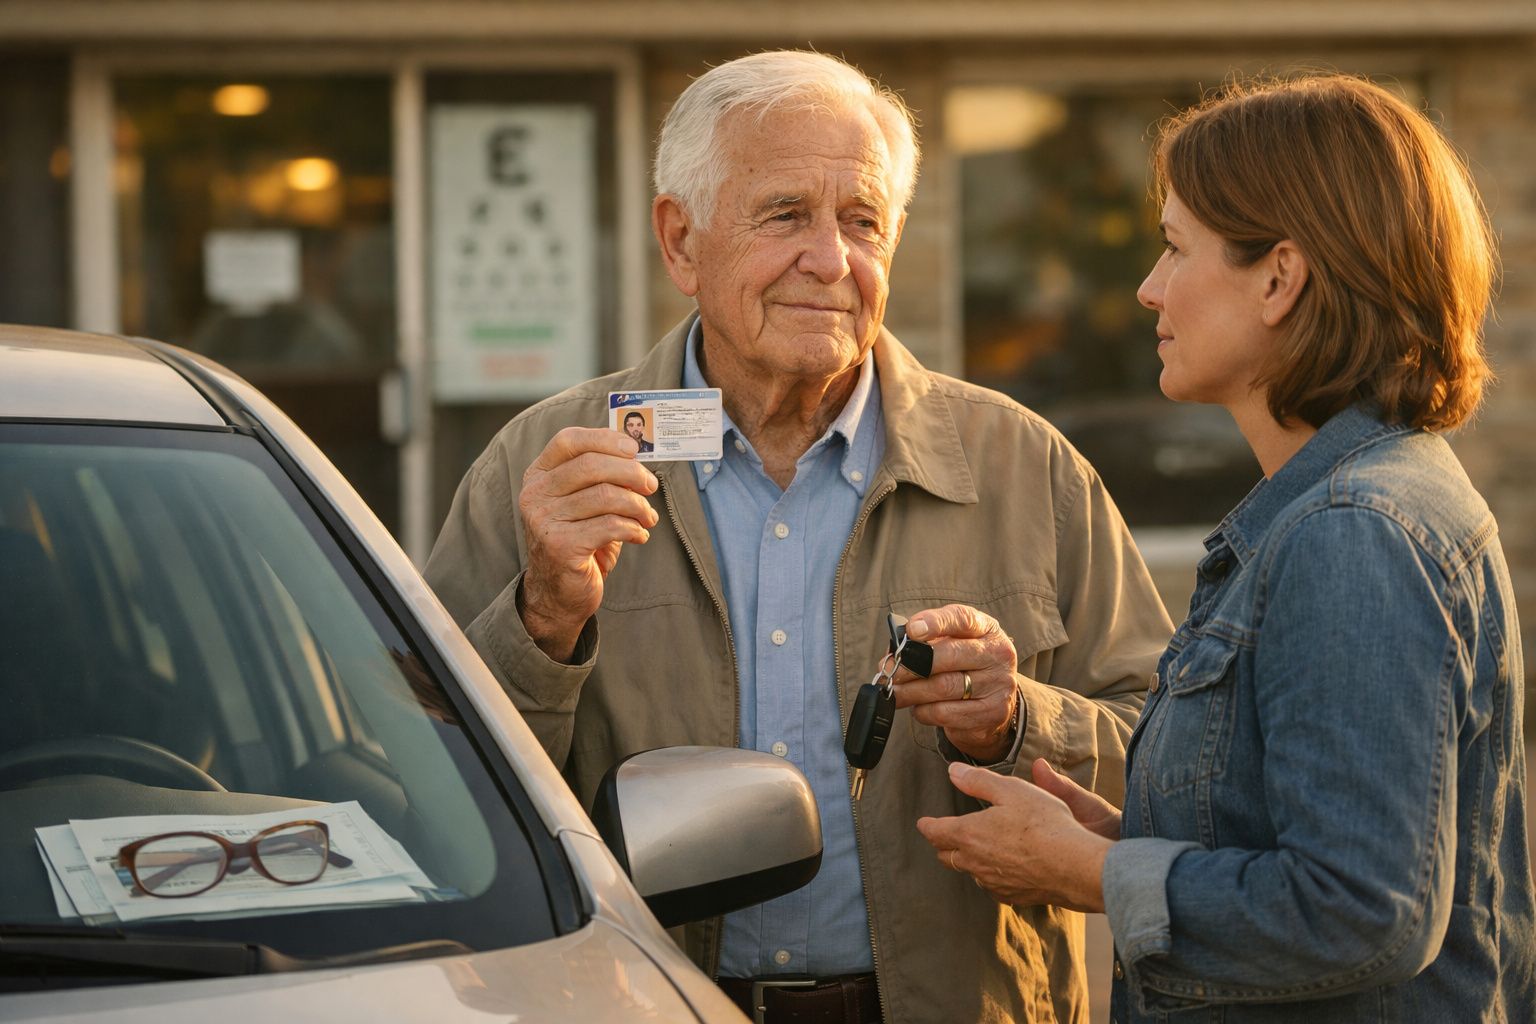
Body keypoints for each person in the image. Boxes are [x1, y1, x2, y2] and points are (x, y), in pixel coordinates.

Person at [425, 50, 1172, 1024]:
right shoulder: (545, 466)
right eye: (785, 215)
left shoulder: (1024, 466)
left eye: (862, 222)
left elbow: (1176, 766)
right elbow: (420, 796)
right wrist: (543, 619)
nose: (830, 260)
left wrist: (1014, 719)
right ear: (680, 241)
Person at [917, 74, 1536, 1022]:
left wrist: (1097, 874)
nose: (1148, 288)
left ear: (1281, 278)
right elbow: (1310, 844)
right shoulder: (1347, 506)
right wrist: (1125, 842)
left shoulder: (1351, 534)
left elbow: (1365, 909)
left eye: (1175, 248)